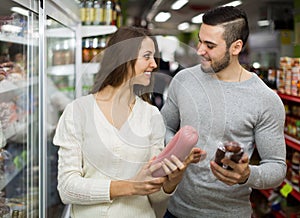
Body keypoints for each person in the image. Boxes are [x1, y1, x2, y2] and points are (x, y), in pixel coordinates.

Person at [53, 26, 205, 218]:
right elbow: (67, 188)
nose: (154, 64)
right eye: (147, 56)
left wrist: (171, 181)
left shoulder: (151, 116)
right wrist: (130, 187)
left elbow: (154, 196)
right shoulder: (78, 112)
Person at [161, 6, 287, 218]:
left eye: (209, 45)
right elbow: (163, 126)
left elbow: (276, 168)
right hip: (175, 210)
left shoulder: (265, 99)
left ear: (236, 47)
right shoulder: (184, 81)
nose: (200, 50)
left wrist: (247, 175)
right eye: (200, 41)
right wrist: (177, 148)